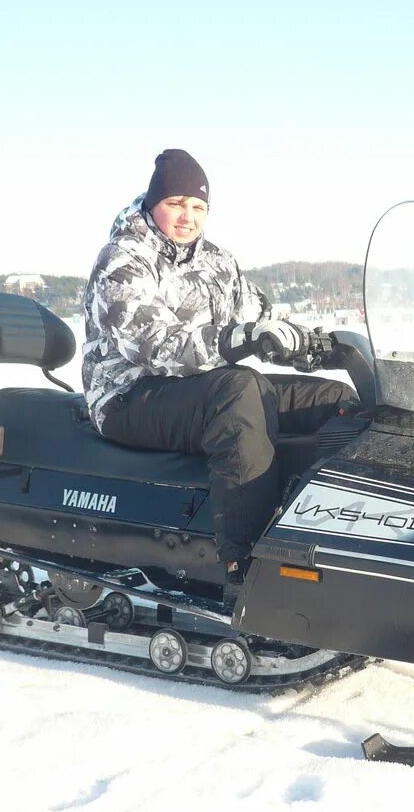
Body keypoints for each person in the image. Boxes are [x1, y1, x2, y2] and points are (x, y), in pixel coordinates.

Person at [81, 149, 356, 597]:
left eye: (198, 207)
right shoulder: (122, 259)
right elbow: (155, 347)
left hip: (200, 387)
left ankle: (334, 532)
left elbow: (259, 314)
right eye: (175, 203)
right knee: (240, 392)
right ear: (153, 204)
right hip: (128, 394)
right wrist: (240, 340)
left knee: (331, 400)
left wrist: (312, 345)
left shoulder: (216, 261)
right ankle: (245, 560)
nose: (187, 216)